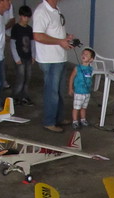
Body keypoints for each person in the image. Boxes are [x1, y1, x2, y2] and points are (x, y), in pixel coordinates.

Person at [33, 0, 75, 133]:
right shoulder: (41, 11)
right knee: (52, 92)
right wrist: (59, 41)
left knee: (60, 91)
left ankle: (59, 117)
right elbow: (38, 36)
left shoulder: (56, 9)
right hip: (49, 59)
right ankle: (49, 121)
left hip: (59, 57)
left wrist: (65, 37)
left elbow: (54, 31)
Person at [10, 5, 35, 106]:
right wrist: (16, 58)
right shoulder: (16, 28)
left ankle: (24, 96)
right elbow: (12, 44)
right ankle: (15, 97)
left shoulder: (30, 29)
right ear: (20, 16)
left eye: (28, 17)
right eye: (25, 17)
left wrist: (34, 56)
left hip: (28, 57)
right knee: (20, 78)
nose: (27, 19)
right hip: (19, 58)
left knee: (27, 78)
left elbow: (32, 43)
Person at [68, 48, 95, 129]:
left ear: (91, 59)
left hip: (87, 92)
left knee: (84, 107)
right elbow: (71, 77)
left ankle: (83, 119)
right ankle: (75, 121)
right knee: (76, 107)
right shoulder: (77, 68)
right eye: (83, 53)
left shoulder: (90, 69)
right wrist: (70, 88)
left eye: (87, 55)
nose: (84, 55)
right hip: (78, 92)